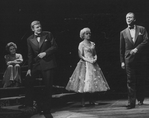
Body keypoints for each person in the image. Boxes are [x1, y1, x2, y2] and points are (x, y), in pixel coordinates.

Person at [66, 27, 110, 107]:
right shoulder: (81, 44)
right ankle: (83, 101)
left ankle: (92, 100)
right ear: (83, 35)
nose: (89, 35)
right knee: (84, 82)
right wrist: (89, 60)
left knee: (93, 82)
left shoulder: (92, 43)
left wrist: (95, 58)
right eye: (87, 34)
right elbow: (81, 55)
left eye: (89, 33)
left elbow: (95, 53)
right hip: (85, 63)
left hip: (93, 63)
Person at [22, 20, 57, 118]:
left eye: (40, 26)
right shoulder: (29, 39)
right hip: (36, 64)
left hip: (48, 63)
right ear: (32, 29)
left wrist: (45, 53)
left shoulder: (48, 34)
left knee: (48, 86)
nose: (40, 28)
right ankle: (30, 105)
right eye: (37, 27)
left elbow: (55, 46)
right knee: (28, 80)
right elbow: (29, 54)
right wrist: (29, 68)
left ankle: (46, 109)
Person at [120, 12, 149, 109]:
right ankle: (131, 103)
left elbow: (146, 40)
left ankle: (140, 98)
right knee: (130, 80)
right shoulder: (123, 32)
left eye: (130, 17)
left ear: (134, 19)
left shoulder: (142, 29)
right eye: (127, 17)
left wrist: (137, 48)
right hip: (129, 59)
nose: (128, 19)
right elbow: (121, 49)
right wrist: (122, 61)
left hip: (141, 58)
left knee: (141, 79)